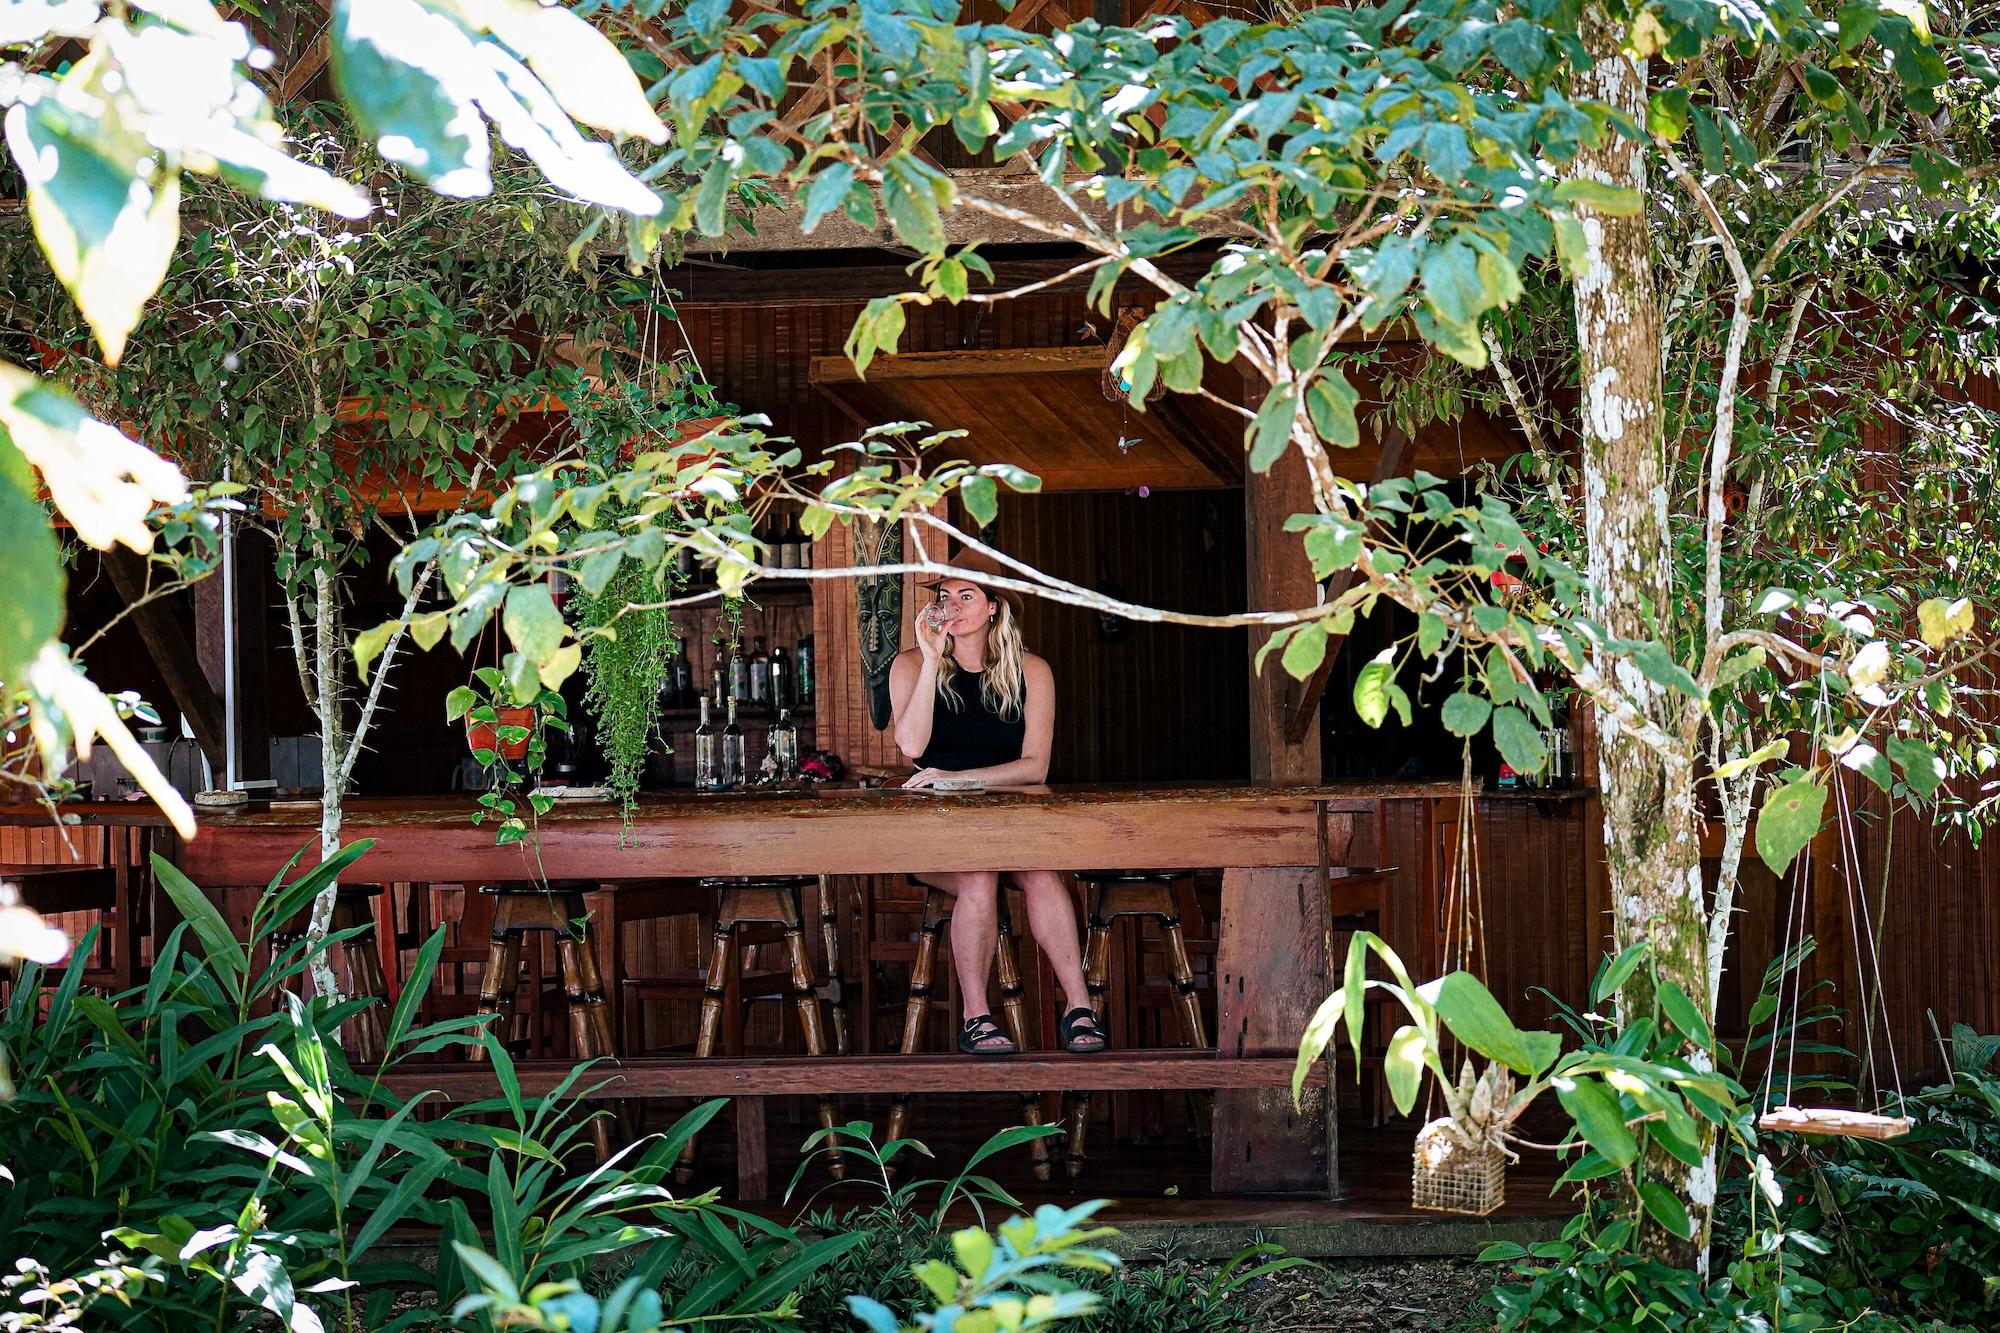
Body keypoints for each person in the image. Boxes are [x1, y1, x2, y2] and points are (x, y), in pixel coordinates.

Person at [888, 549, 1106, 1056]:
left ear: (993, 608)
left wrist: (959, 780)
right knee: (979, 875)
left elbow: (1035, 767)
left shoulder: (1032, 671)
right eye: (946, 596)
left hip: (1011, 828)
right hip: (935, 833)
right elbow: (913, 748)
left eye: (968, 596)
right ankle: (977, 1017)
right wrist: (930, 657)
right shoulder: (909, 666)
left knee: (1041, 873)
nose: (954, 606)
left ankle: (1078, 1006)